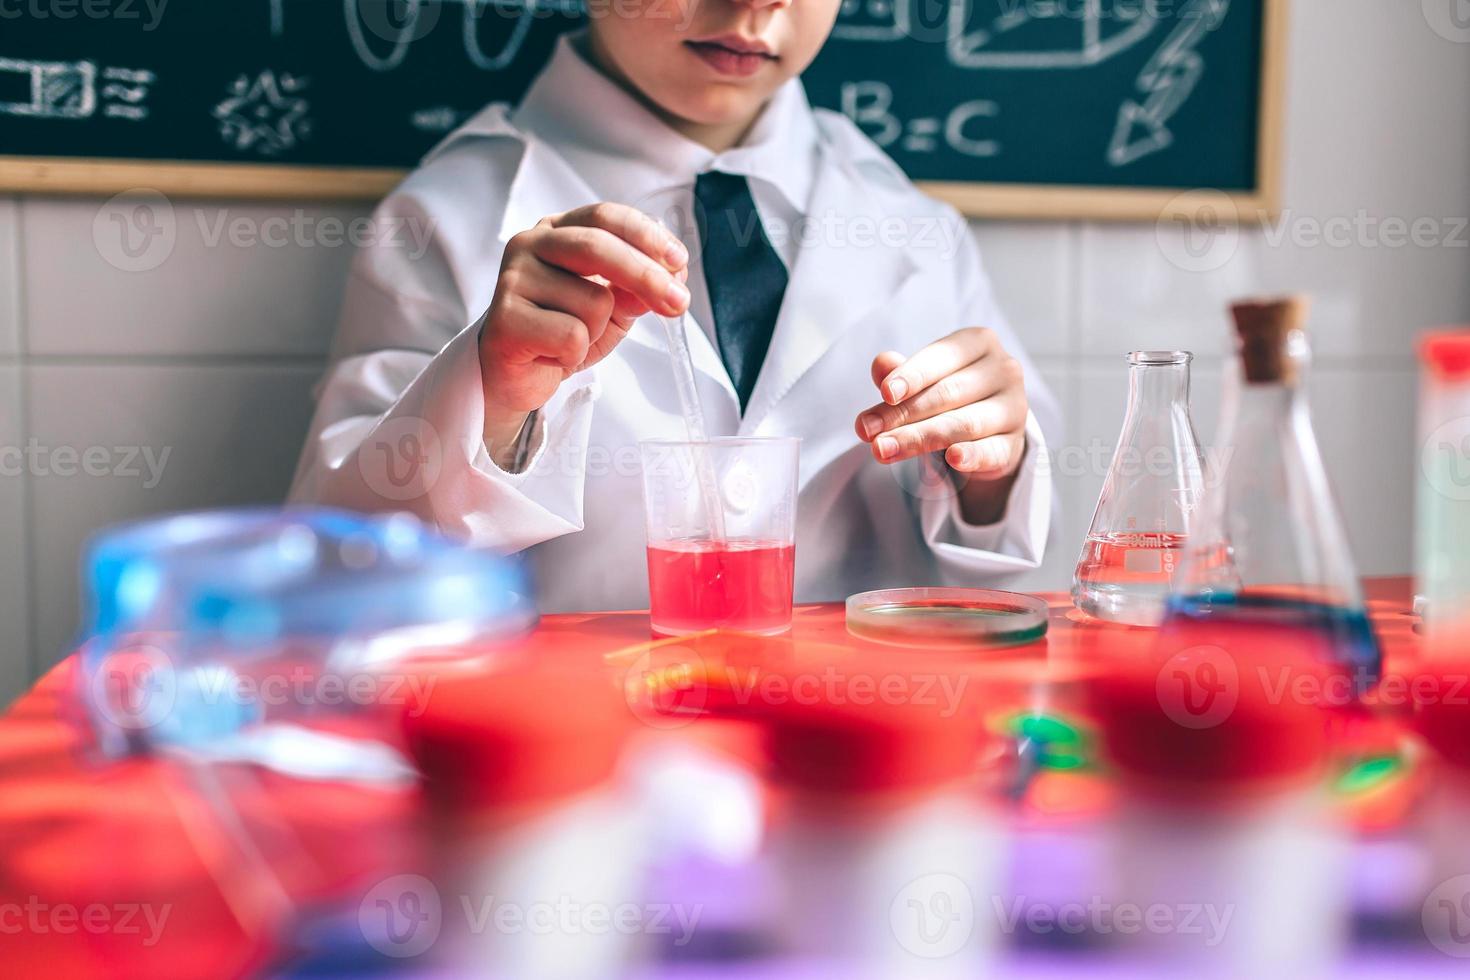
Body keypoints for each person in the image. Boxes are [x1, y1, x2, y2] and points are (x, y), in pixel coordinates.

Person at [290, 0, 1060, 611]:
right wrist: (486, 400)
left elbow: (1007, 547)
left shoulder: (914, 226)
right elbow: (343, 556)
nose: (761, 3)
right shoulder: (446, 220)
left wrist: (988, 472)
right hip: (579, 764)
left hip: (846, 748)